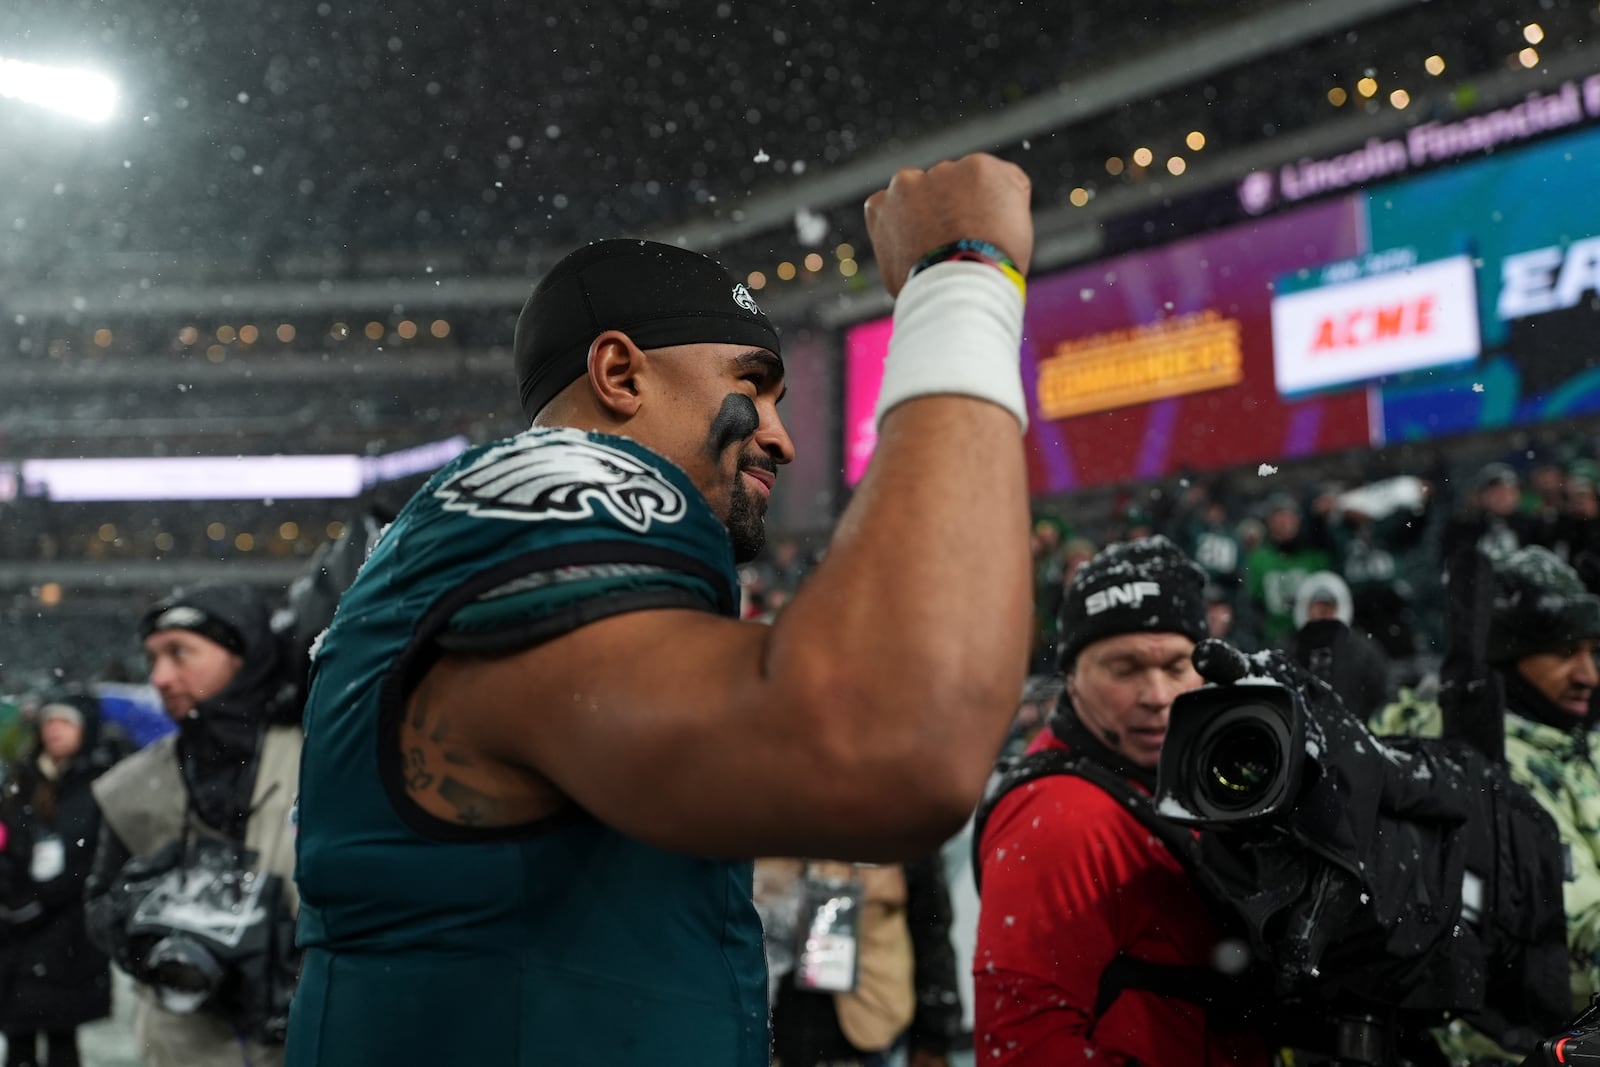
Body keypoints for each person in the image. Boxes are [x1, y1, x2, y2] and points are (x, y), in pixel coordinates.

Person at [285, 152, 1036, 1066]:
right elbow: (889, 746)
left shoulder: (467, 549)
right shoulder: (558, 491)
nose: (783, 434)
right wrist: (960, 279)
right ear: (620, 374)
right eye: (752, 383)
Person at [973, 536, 1268, 1066]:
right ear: (1071, 678)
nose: (1156, 695)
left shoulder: (1183, 777)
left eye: (1177, 666)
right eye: (1125, 669)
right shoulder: (1059, 818)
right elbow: (1025, 1050)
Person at [1373, 546, 1600, 1062]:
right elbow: (1575, 934)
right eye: (1566, 654)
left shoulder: (1569, 739)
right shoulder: (1485, 765)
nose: (1589, 674)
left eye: (1593, 652)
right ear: (1506, 657)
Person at [84, 584, 302, 1067]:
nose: (160, 677)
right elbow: (98, 904)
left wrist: (286, 949)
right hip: (181, 1041)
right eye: (152, 658)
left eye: (180, 653)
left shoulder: (320, 758)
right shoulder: (133, 785)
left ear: (242, 655)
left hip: (305, 1035)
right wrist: (146, 926)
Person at [0, 693, 118, 1067]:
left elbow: (99, 855)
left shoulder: (99, 783)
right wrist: (13, 897)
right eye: (49, 722)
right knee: (17, 1036)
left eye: (65, 722)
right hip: (15, 929)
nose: (54, 730)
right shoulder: (23, 778)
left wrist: (45, 899)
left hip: (68, 931)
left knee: (61, 1037)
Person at [758, 854, 960, 1067]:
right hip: (766, 1030)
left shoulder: (901, 827)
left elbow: (930, 930)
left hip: (867, 1030)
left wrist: (932, 1039)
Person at [1288, 570, 1391, 722]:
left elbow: (1381, 696)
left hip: (1352, 736)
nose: (1323, 611)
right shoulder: (1288, 649)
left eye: (1329, 605)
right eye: (1317, 605)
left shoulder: (1364, 652)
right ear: (1305, 607)